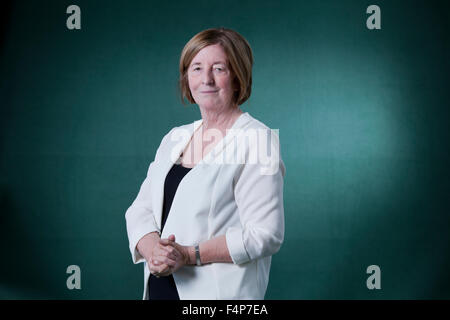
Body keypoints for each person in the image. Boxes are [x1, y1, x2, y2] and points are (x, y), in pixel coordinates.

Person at [125, 27, 286, 300]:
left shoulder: (258, 140)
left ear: (238, 77)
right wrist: (154, 251)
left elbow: (265, 234)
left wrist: (189, 255)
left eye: (219, 69)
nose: (206, 79)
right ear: (186, 77)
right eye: (197, 68)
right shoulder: (176, 137)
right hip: (161, 288)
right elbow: (140, 210)